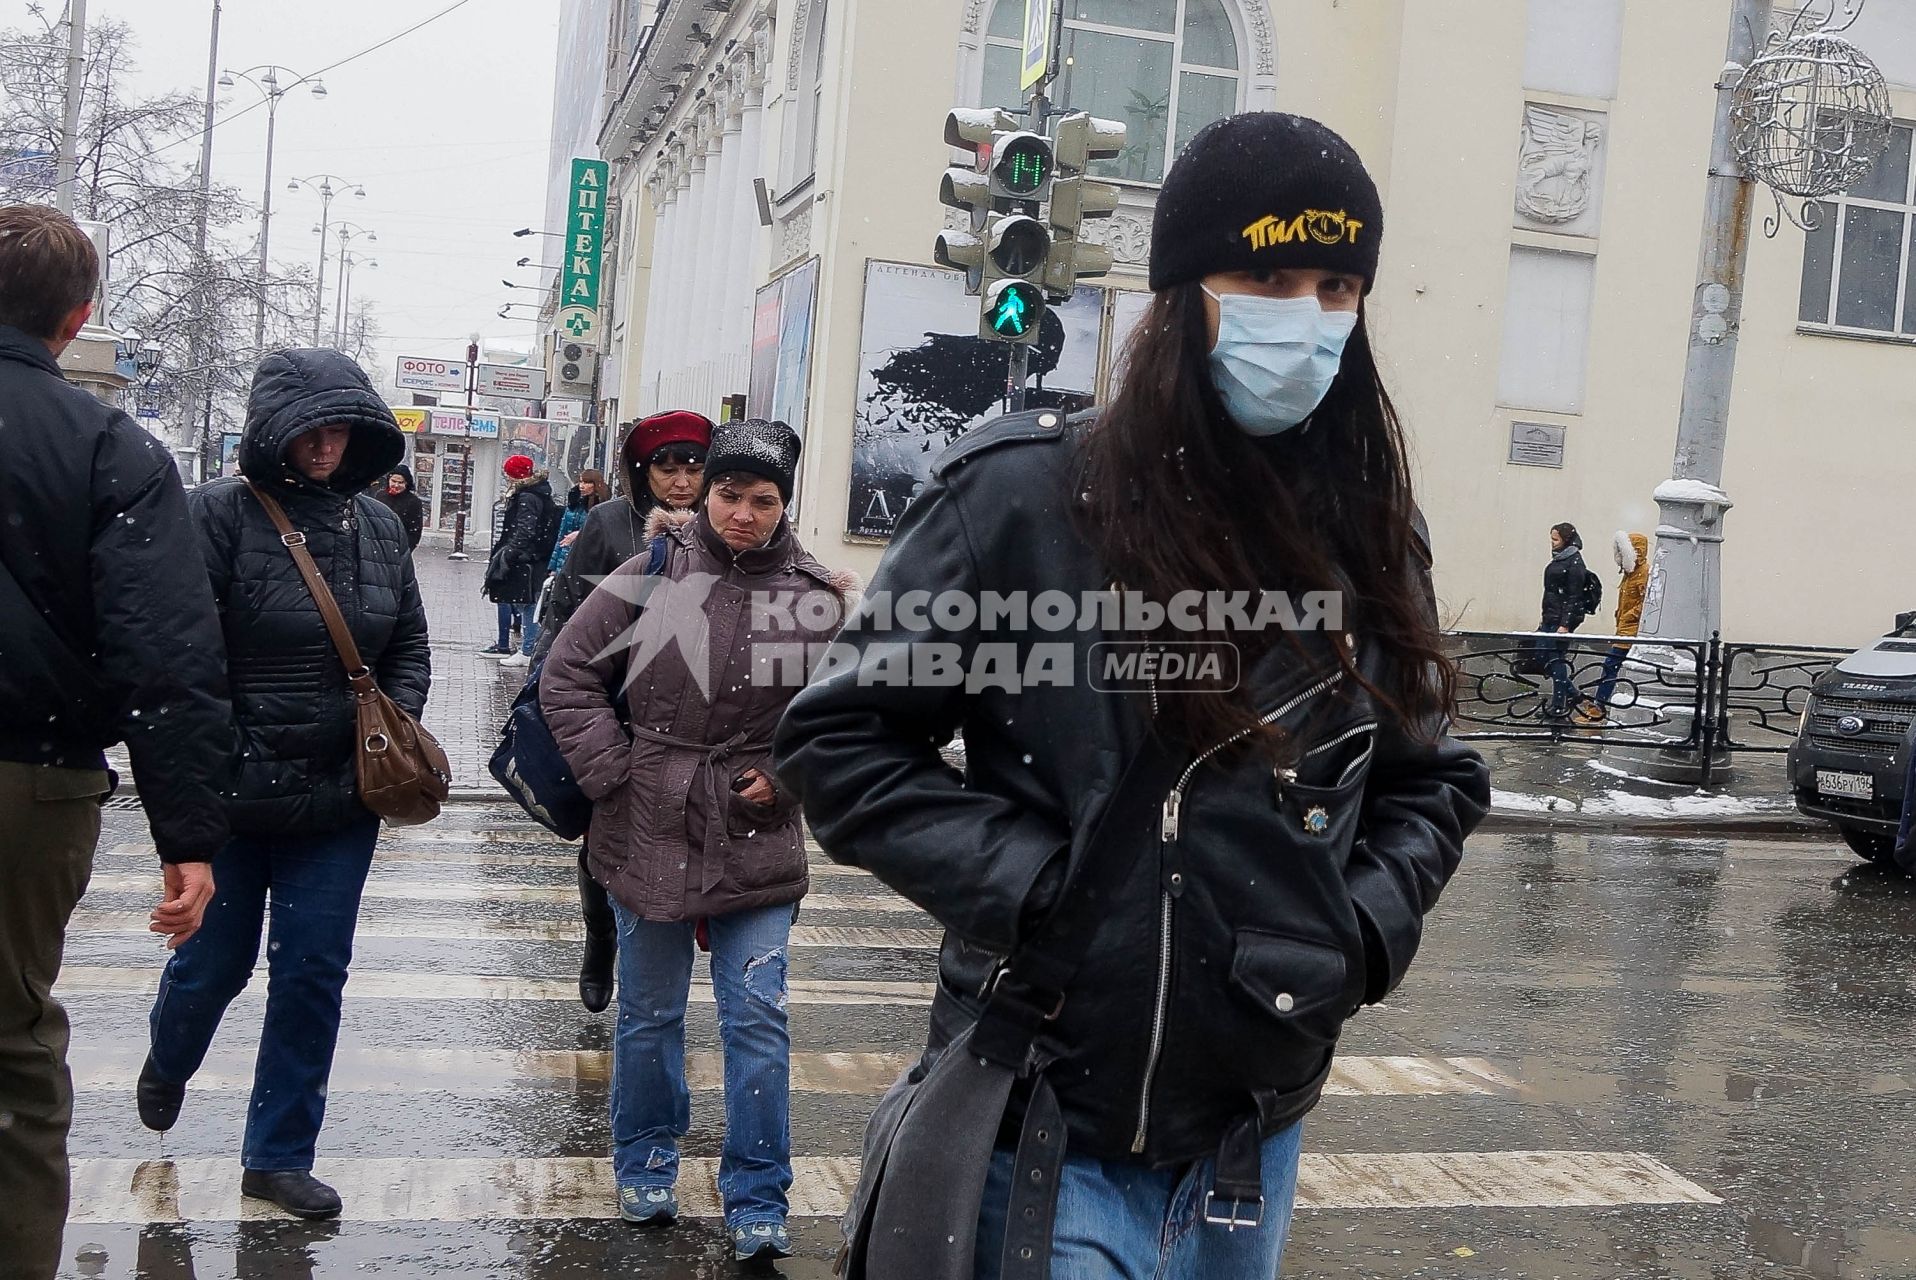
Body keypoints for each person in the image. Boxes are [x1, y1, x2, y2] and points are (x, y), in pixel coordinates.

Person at [773, 113, 1491, 1279]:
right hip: (1047, 1109)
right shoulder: (1023, 497)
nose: (1302, 318)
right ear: (1179, 293)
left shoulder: (1368, 529)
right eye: (1264, 274)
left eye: (1334, 285)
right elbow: (842, 737)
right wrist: (1039, 884)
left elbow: (1430, 779)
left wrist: (1354, 932)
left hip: (1253, 1127)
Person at [540, 419, 854, 1263]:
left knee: (758, 1015)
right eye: (728, 493)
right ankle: (645, 1161)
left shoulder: (815, 596)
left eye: (763, 499)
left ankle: (758, 1192)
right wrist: (615, 770)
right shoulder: (652, 573)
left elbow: (838, 718)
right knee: (650, 1013)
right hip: (647, 824)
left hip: (756, 833)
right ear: (705, 492)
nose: (742, 513)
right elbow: (567, 673)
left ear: (785, 502)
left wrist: (789, 780)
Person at [137, 348, 432, 1222]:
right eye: (311, 427)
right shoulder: (216, 518)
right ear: (275, 431)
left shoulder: (377, 527)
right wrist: (212, 762)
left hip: (341, 800)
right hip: (231, 796)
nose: (326, 444)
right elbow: (180, 652)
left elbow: (407, 646)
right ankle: (169, 1054)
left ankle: (278, 1155)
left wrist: (386, 724)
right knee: (213, 968)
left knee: (311, 974)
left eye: (342, 427)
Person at [0, 203, 233, 1279]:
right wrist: (188, 834)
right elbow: (165, 651)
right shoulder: (109, 448)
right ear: (78, 317)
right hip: (30, 779)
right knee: (11, 1053)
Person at [536, 410, 712, 1014]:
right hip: (615, 713)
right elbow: (566, 613)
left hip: (696, 719)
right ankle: (600, 937)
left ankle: (668, 956)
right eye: (667, 468)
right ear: (644, 474)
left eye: (694, 467)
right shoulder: (611, 523)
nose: (682, 481)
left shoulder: (725, 528)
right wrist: (552, 696)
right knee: (601, 842)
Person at [484, 453, 560, 668]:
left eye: (508, 474)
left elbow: (525, 529)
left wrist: (511, 552)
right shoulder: (536, 493)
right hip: (534, 556)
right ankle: (529, 648)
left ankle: (528, 649)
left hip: (528, 558)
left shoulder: (527, 496)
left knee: (527, 604)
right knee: (528, 603)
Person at [1579, 530, 1650, 725]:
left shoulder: (1643, 573)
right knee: (1614, 667)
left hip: (1631, 632)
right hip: (1625, 630)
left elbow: (1646, 604)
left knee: (1611, 666)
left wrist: (1627, 616)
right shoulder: (1631, 573)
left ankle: (1599, 707)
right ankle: (1601, 706)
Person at [1539, 521, 1591, 720]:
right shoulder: (1561, 559)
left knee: (1555, 660)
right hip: (1550, 616)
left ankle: (1559, 704)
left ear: (1565, 539)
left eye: (1555, 539)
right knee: (1544, 656)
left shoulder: (1574, 562)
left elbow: (1574, 596)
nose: (1552, 543)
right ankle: (1572, 694)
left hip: (1560, 620)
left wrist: (1565, 624)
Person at [546, 467, 605, 581]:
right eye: (581, 481)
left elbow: (602, 534)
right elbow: (561, 537)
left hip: (586, 561)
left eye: (587, 482)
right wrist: (553, 567)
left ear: (595, 485)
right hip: (565, 559)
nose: (582, 486)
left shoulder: (602, 507)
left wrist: (579, 534)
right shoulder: (574, 505)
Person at [375, 464, 425, 551]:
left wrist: (405, 550)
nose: (396, 485)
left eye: (400, 482)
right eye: (393, 481)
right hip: (378, 545)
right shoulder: (380, 496)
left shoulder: (414, 502)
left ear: (407, 483)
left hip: (399, 547)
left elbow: (415, 531)